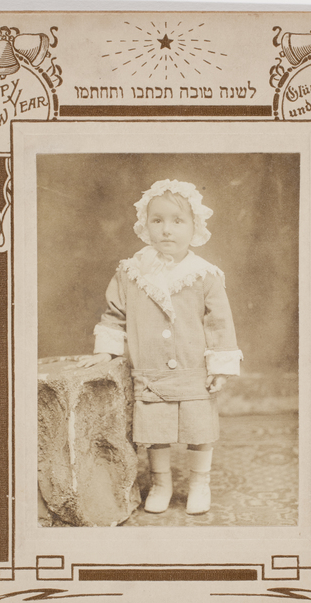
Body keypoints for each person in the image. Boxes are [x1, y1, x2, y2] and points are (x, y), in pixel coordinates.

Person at [78, 179, 242, 515]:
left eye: (177, 221)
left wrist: (220, 368)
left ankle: (200, 483)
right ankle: (161, 484)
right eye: (158, 220)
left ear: (194, 227)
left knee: (200, 430)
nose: (167, 229)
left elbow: (219, 324)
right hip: (151, 373)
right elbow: (114, 314)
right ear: (145, 225)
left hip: (194, 371)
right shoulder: (131, 273)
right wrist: (105, 350)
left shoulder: (204, 275)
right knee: (156, 431)